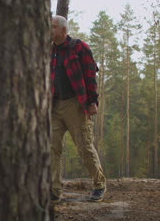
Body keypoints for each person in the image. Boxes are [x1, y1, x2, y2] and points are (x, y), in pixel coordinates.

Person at [50, 15, 106, 203]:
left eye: (53, 27)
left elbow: (90, 76)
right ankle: (54, 190)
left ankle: (99, 185)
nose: (49, 30)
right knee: (52, 148)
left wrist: (92, 102)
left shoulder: (78, 47)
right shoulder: (49, 50)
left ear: (63, 30)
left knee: (84, 147)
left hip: (75, 104)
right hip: (54, 105)